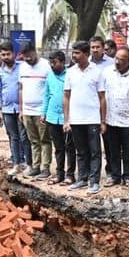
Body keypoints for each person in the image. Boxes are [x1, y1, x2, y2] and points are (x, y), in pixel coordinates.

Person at [63, 40, 107, 194]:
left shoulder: (96, 71)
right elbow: (66, 97)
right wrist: (67, 120)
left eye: (77, 53)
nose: (74, 56)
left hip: (93, 119)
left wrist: (102, 121)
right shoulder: (70, 72)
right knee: (80, 151)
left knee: (94, 151)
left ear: (86, 54)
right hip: (76, 120)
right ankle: (82, 178)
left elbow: (102, 97)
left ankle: (94, 181)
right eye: (73, 52)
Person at [102, 46, 129, 186]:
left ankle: (127, 176)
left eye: (121, 60)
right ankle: (115, 176)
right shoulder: (107, 72)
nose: (117, 62)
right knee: (113, 150)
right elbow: (101, 95)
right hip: (111, 119)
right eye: (116, 58)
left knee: (127, 150)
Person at [0, 41, 31, 176]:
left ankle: (28, 163)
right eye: (3, 55)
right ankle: (16, 163)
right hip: (7, 110)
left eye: (8, 54)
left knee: (24, 137)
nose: (6, 57)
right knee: (13, 137)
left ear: (14, 54)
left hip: (22, 109)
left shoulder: (22, 67)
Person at [40, 50, 75, 185]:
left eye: (55, 63)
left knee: (70, 147)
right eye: (51, 63)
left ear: (62, 62)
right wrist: (43, 113)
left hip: (68, 117)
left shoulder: (70, 74)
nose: (52, 66)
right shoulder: (49, 76)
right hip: (52, 117)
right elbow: (46, 95)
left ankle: (70, 175)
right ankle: (59, 174)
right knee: (58, 148)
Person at [18, 42, 52, 179]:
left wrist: (46, 111)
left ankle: (45, 168)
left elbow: (50, 90)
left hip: (41, 111)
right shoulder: (22, 68)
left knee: (45, 140)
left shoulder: (46, 66)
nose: (27, 59)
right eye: (24, 57)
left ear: (35, 51)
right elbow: (20, 88)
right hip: (27, 111)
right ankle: (36, 167)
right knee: (33, 141)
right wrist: (21, 109)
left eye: (29, 56)